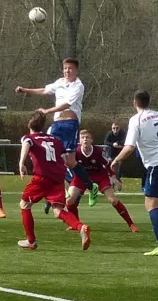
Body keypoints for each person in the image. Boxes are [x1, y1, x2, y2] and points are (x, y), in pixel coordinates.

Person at [15, 58, 99, 207]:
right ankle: (55, 192)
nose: (67, 71)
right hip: (56, 125)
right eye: (65, 68)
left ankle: (91, 186)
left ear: (76, 70)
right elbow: (44, 90)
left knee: (70, 162)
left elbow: (67, 104)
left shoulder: (78, 86)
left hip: (70, 125)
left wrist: (47, 111)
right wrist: (25, 90)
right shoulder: (60, 82)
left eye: (70, 68)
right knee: (53, 157)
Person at [111, 90, 158, 256]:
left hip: (157, 164)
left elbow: (129, 147)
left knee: (150, 204)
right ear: (149, 102)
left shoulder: (136, 119)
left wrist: (116, 160)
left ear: (134, 103)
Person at [18, 111, 91, 250]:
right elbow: (63, 159)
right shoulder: (55, 140)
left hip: (42, 178)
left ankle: (31, 241)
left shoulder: (29, 137)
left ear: (29, 125)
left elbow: (26, 144)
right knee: (58, 211)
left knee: (24, 205)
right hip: (57, 178)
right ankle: (81, 227)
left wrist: (21, 163)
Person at [67, 130, 138, 232]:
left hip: (99, 176)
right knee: (70, 200)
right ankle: (75, 223)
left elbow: (108, 165)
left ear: (92, 140)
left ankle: (131, 224)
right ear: (79, 140)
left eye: (87, 137)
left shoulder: (98, 151)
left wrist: (114, 178)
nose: (85, 139)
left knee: (113, 200)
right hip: (82, 176)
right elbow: (68, 165)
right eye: (82, 138)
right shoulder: (76, 152)